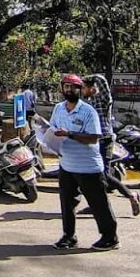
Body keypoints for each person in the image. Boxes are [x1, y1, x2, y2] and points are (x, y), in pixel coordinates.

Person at [38, 73, 118, 251]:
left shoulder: (88, 111)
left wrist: (69, 134)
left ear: (80, 89)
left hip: (88, 167)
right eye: (66, 87)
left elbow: (94, 138)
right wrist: (48, 136)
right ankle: (69, 236)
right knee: (67, 204)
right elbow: (53, 129)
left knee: (98, 204)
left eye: (73, 87)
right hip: (67, 165)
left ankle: (110, 238)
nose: (69, 90)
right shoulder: (58, 108)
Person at [82, 74, 140, 217]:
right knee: (93, 175)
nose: (82, 90)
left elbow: (102, 81)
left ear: (91, 88)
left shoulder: (103, 99)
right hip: (93, 142)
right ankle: (96, 205)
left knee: (104, 173)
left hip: (105, 140)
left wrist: (87, 77)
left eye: (84, 87)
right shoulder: (88, 102)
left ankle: (131, 195)